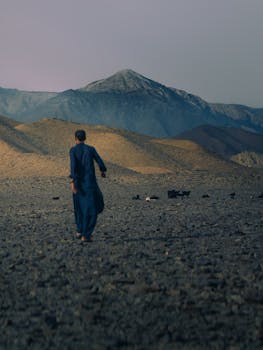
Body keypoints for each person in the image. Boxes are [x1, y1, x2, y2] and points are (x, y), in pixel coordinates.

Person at [69, 129, 107, 242]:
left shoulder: (73, 150)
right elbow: (100, 161)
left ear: (75, 138)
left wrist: (72, 182)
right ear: (85, 138)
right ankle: (85, 234)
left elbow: (73, 166)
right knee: (92, 209)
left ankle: (80, 230)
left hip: (78, 184)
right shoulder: (91, 149)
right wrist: (102, 170)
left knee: (79, 208)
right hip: (90, 184)